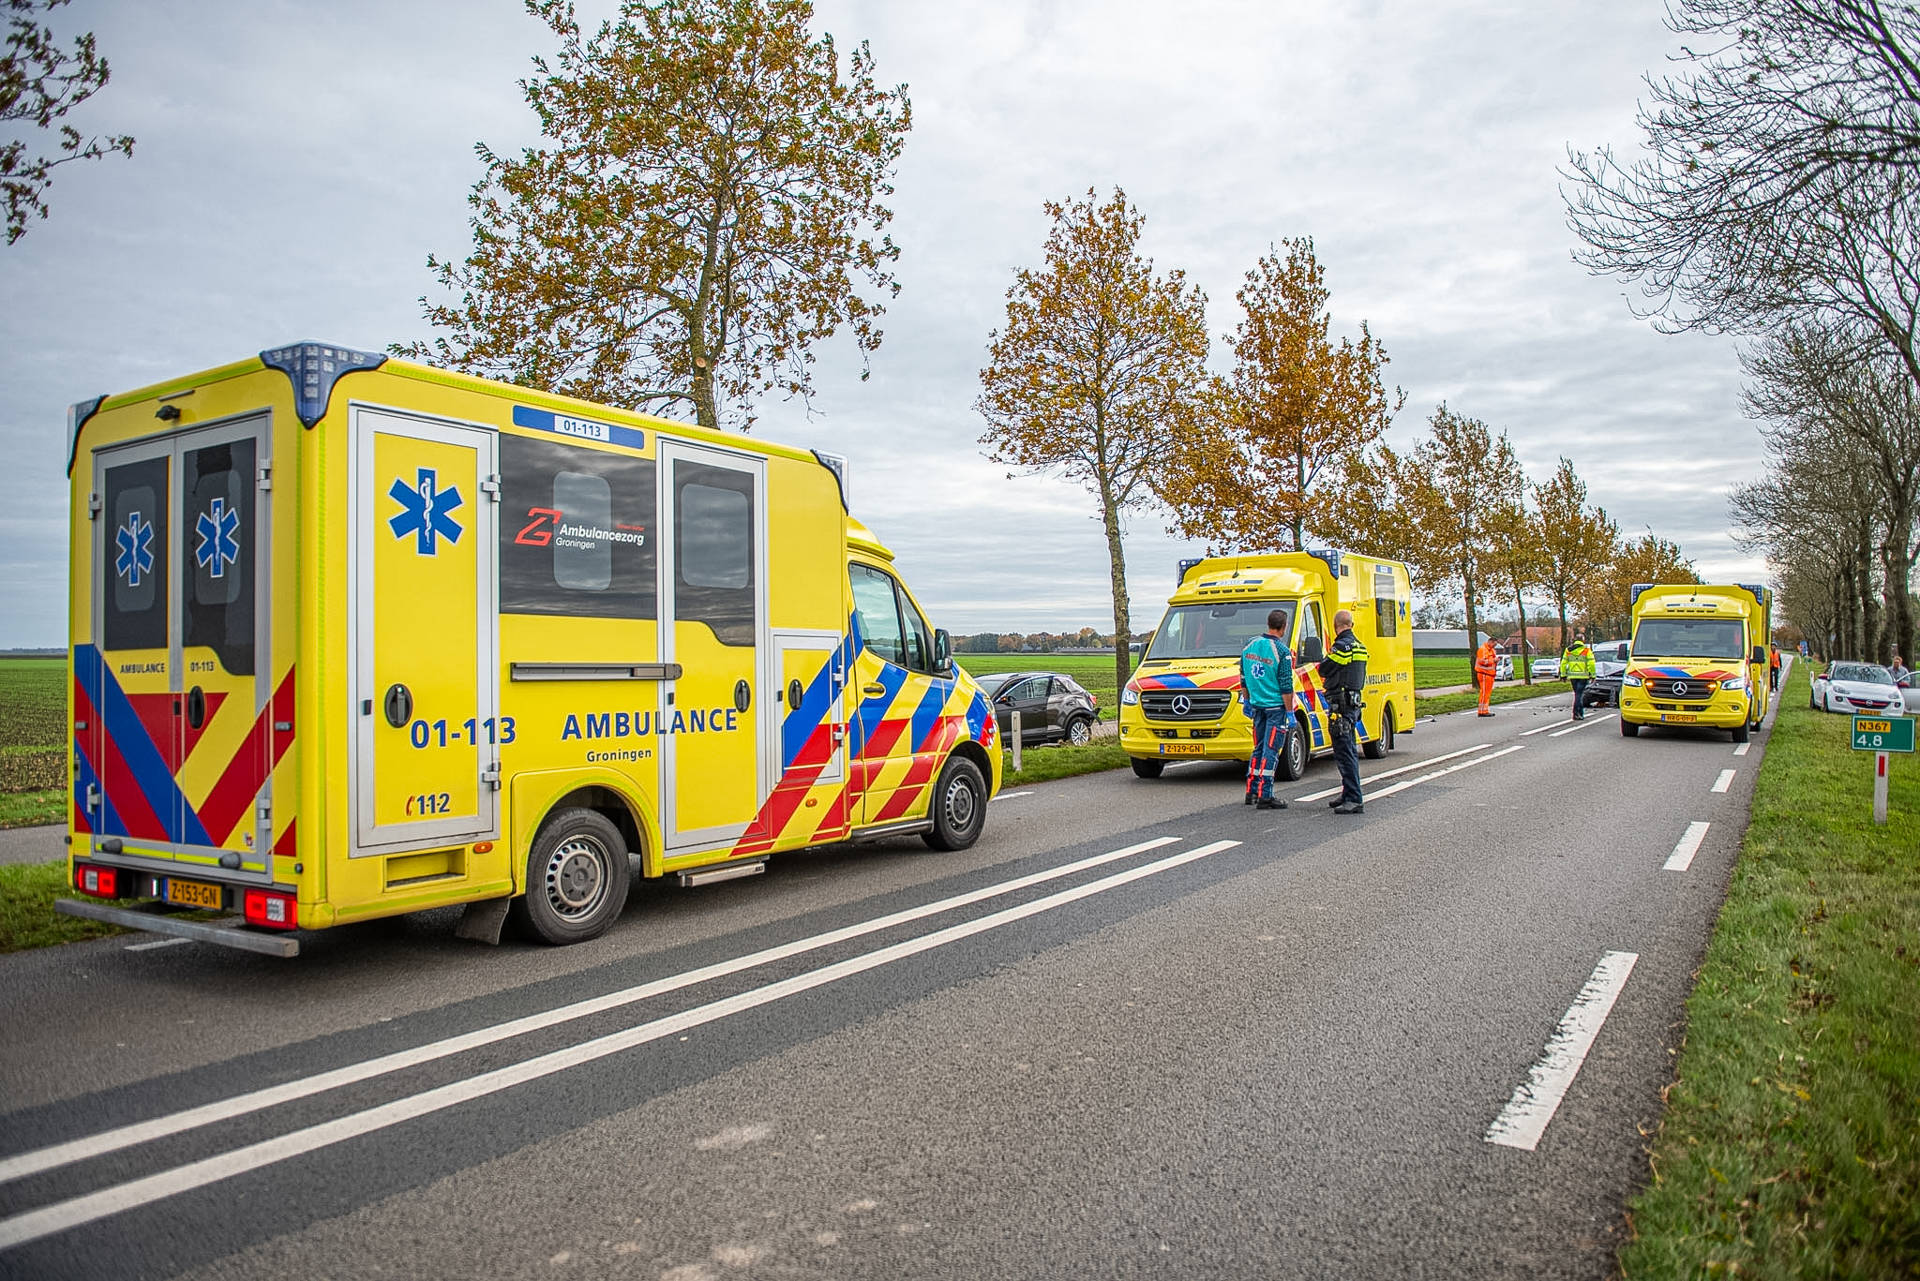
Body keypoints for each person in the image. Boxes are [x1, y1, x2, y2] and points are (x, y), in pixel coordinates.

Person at [1239, 609, 1297, 810]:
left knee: (1258, 747)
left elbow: (1244, 679)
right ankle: (1266, 794)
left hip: (1257, 706)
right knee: (1271, 750)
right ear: (1284, 626)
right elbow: (1286, 686)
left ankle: (1251, 790)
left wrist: (1247, 701)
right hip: (1275, 708)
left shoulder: (1249, 647)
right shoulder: (1282, 652)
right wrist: (1290, 713)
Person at [1318, 608, 1369, 814]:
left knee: (1345, 752)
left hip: (1341, 704)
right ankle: (1347, 792)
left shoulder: (1342, 647)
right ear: (1352, 624)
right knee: (1346, 749)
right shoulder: (1360, 646)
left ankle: (1354, 798)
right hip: (1353, 702)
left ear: (1336, 626)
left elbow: (1324, 669)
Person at [1560, 632, 1596, 720]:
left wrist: (1563, 675)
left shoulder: (1568, 650)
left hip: (1573, 676)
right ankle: (1576, 712)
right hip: (1583, 676)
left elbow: (1563, 663)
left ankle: (1579, 713)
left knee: (1577, 694)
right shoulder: (1586, 650)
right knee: (1579, 694)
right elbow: (1591, 663)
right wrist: (1593, 675)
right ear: (1583, 640)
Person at [1473, 636, 1499, 716]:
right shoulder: (1483, 649)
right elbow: (1482, 661)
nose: (1494, 646)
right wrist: (1493, 660)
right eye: (1494, 645)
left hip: (1490, 674)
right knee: (1484, 693)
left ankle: (1485, 710)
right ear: (1490, 642)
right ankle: (1481, 711)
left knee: (1487, 693)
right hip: (1484, 674)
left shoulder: (1491, 650)